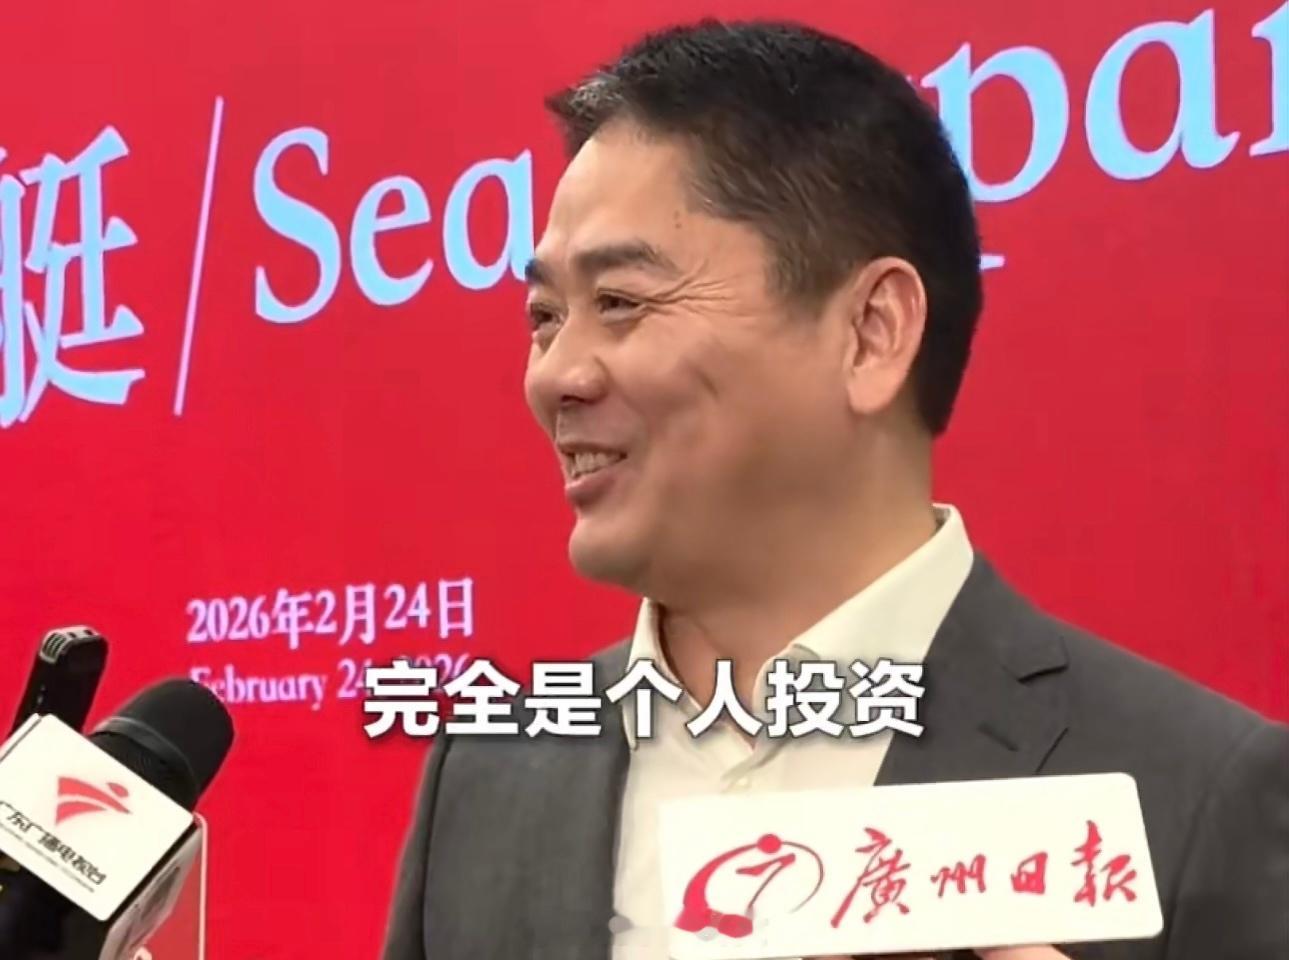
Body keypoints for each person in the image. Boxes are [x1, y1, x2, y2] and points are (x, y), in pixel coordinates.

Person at [381, 19, 1289, 960]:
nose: (555, 376)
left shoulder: (1196, 793)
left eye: (620, 302)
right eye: (543, 316)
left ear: (870, 334)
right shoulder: (489, 770)